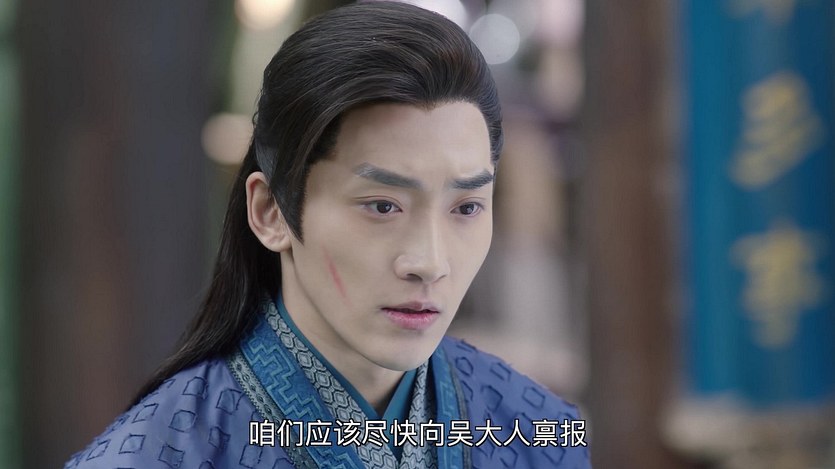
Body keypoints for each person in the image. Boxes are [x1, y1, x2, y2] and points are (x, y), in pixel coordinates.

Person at [65, 2, 590, 468]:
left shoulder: (541, 434)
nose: (430, 262)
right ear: (270, 211)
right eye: (382, 206)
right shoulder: (148, 455)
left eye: (467, 207)